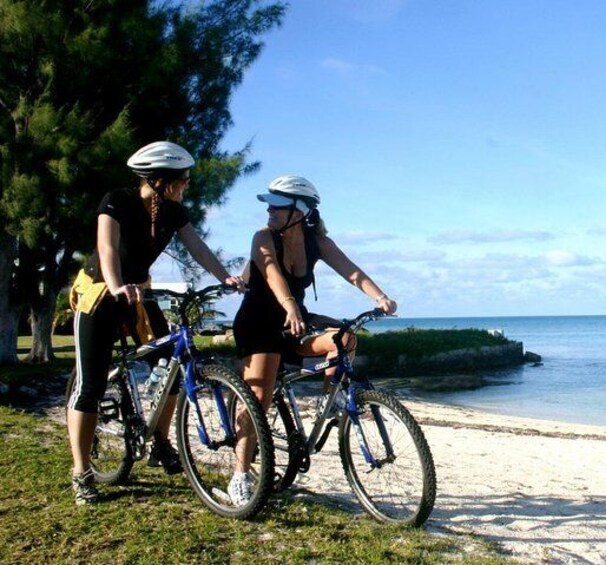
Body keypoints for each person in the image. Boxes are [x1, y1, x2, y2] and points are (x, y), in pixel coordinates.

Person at [67, 141, 244, 505]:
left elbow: (197, 247)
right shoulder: (116, 200)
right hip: (101, 292)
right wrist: (117, 286)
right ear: (160, 180)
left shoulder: (173, 212)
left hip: (139, 296)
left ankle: (160, 443)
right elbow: (108, 249)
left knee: (173, 369)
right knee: (91, 386)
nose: (188, 185)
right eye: (182, 179)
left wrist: (225, 277)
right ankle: (81, 473)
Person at [229, 175, 396, 504]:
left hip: (294, 324)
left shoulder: (316, 242)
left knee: (344, 340)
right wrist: (290, 305)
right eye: (269, 204)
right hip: (258, 323)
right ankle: (239, 473)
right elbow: (272, 274)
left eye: (278, 206)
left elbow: (352, 271)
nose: (270, 211)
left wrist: (380, 297)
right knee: (258, 396)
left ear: (300, 211)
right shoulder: (262, 237)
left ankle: (328, 401)